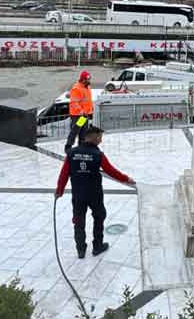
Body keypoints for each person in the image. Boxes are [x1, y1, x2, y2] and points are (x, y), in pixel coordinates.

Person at [55, 125, 136, 258]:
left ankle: (81, 250)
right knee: (99, 217)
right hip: (95, 194)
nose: (101, 141)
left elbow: (64, 174)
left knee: (78, 220)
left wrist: (59, 191)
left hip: (78, 194)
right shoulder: (98, 154)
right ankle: (97, 246)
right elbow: (111, 171)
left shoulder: (71, 153)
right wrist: (127, 179)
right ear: (95, 137)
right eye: (100, 137)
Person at [65, 71, 94, 153]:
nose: (89, 81)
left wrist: (90, 110)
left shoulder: (87, 87)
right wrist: (82, 112)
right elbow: (74, 103)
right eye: (87, 79)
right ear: (83, 79)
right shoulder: (76, 88)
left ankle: (82, 147)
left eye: (89, 79)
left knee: (83, 133)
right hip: (77, 115)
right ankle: (68, 147)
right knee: (75, 131)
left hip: (84, 115)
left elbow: (88, 101)